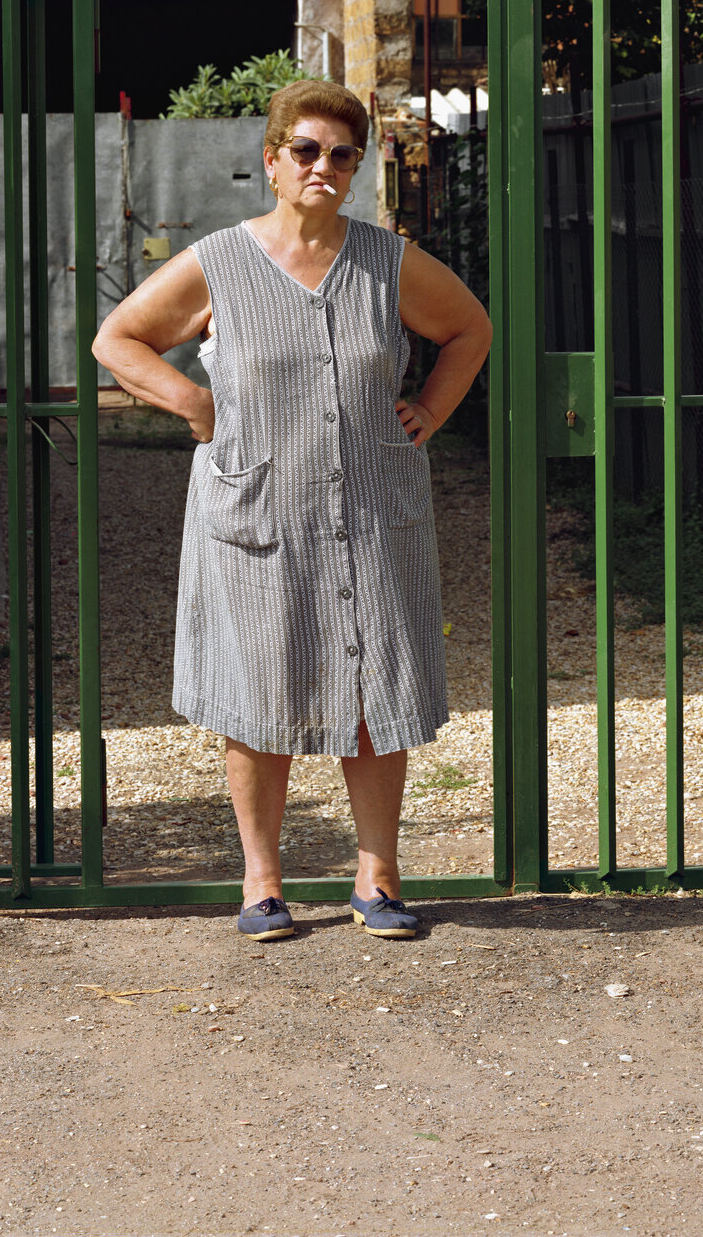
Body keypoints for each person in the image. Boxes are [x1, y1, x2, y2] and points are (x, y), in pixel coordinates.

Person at [92, 80, 491, 940]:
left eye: (342, 154)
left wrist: (431, 407)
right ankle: (261, 882)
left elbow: (469, 329)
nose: (324, 167)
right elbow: (117, 338)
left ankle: (377, 876)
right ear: (272, 162)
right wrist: (193, 406)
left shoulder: (388, 261)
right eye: (306, 150)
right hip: (257, 511)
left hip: (374, 509)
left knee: (374, 685)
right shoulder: (220, 262)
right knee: (257, 691)